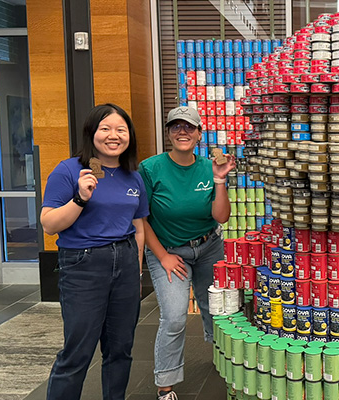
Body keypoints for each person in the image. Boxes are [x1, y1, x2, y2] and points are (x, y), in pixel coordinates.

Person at [41, 103, 148, 400]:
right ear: (92, 132)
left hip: (125, 262)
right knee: (78, 351)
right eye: (106, 129)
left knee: (120, 348)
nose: (114, 136)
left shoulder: (133, 176)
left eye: (121, 130)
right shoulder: (69, 170)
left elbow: (138, 227)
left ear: (129, 136)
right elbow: (49, 225)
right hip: (83, 264)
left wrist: (136, 271)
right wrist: (80, 198)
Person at [139, 106, 235, 400]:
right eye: (176, 126)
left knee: (217, 308)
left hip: (208, 247)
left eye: (189, 127)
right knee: (175, 316)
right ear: (168, 133)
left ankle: (222, 359)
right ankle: (165, 385)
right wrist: (163, 256)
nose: (183, 131)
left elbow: (221, 217)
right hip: (167, 250)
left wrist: (219, 180)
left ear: (199, 134)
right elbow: (140, 218)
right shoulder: (150, 168)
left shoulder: (210, 167)